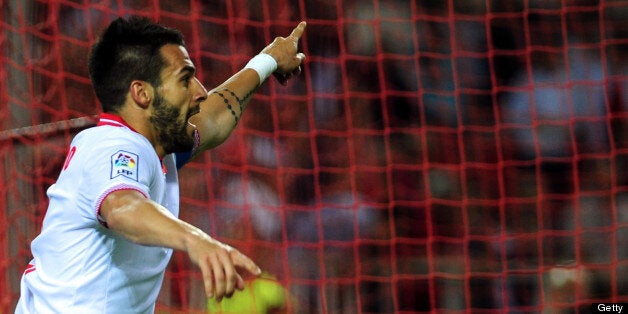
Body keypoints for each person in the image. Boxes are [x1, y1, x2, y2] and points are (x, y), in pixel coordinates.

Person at [15, 16, 306, 313]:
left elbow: (215, 117)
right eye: (185, 79)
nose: (200, 91)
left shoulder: (155, 148)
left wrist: (267, 60)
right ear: (142, 93)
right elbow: (122, 207)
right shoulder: (112, 145)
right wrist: (196, 240)